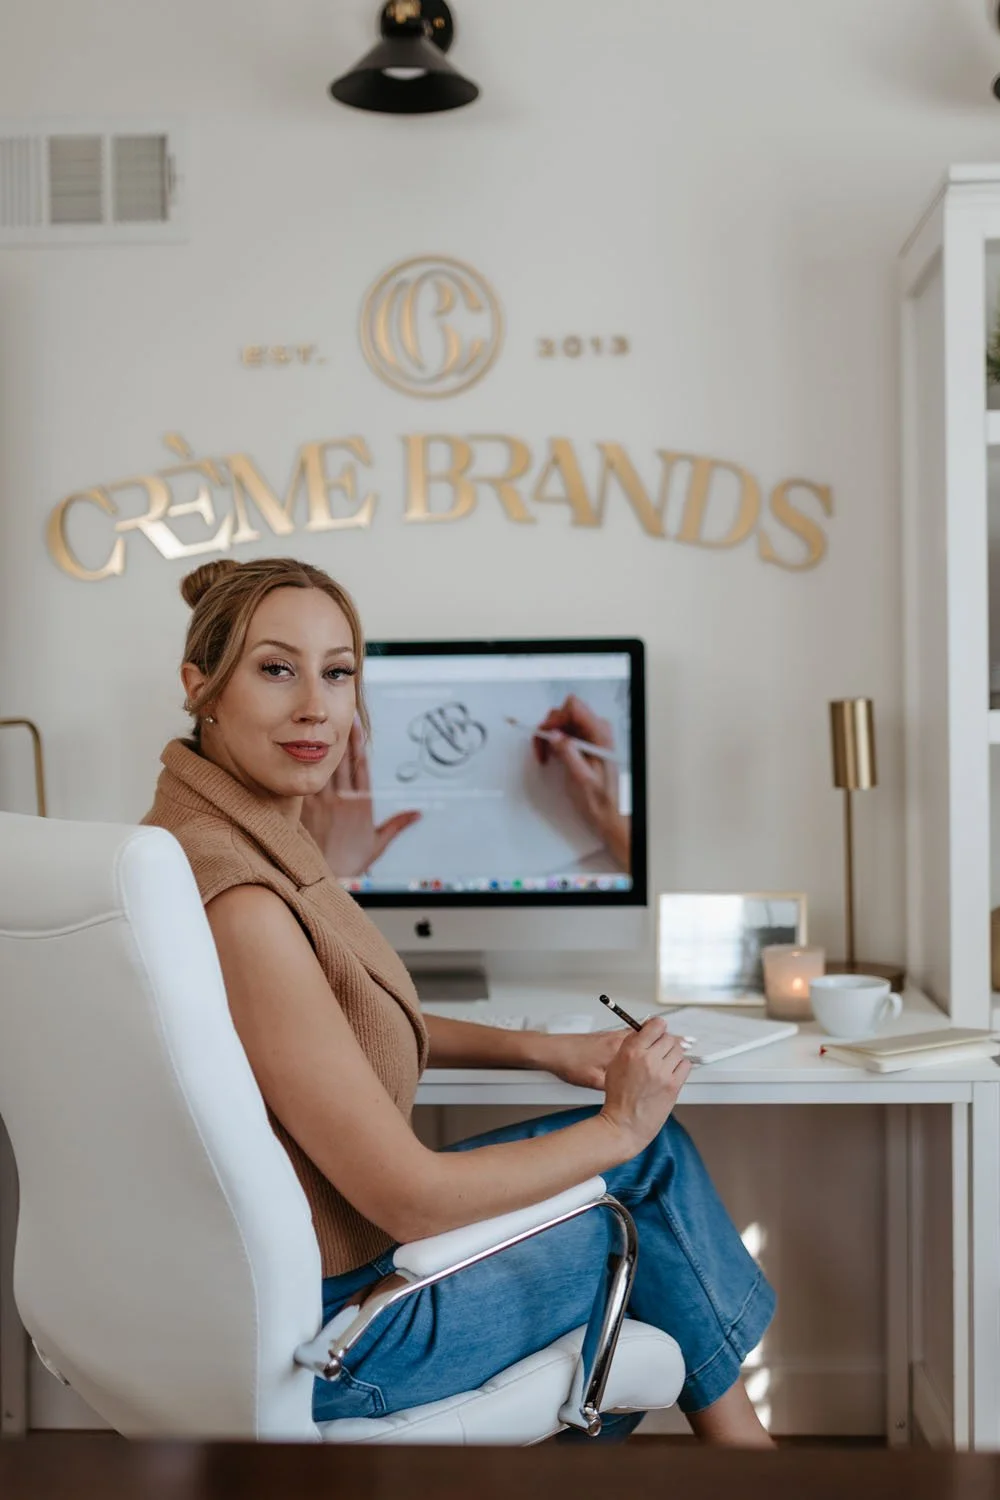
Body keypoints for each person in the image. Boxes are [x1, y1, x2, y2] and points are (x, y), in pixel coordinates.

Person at [143, 556, 776, 1447]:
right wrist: (618, 1126)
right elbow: (412, 1201)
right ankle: (757, 1466)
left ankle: (745, 1459)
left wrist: (542, 1051)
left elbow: (325, 1028)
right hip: (339, 1339)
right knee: (647, 1174)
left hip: (261, 1298)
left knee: (645, 1180)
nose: (317, 707)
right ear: (199, 685)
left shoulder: (200, 837)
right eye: (275, 668)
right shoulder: (242, 897)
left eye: (338, 672)